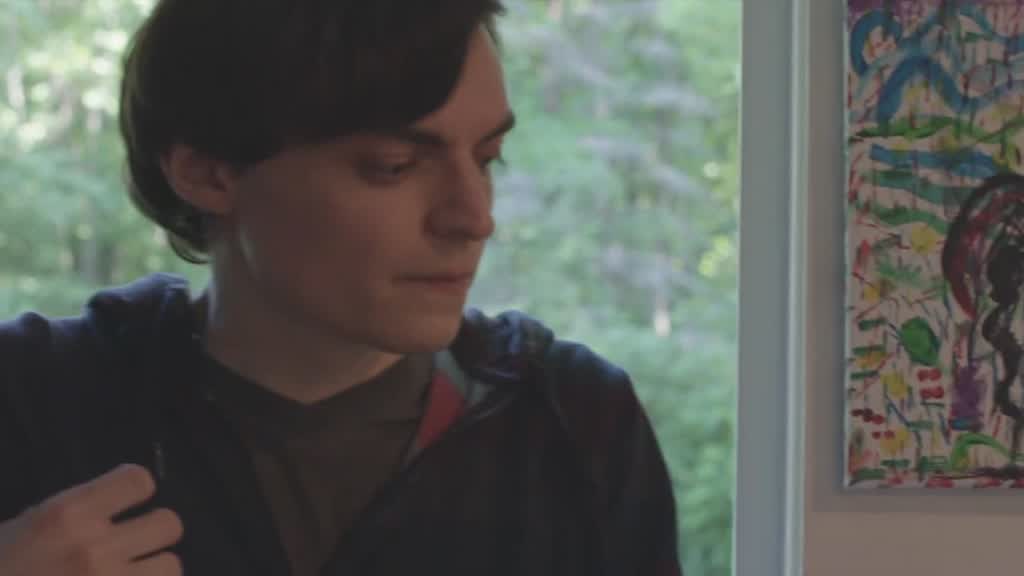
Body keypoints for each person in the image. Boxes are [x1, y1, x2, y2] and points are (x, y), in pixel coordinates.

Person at [0, 0, 682, 574]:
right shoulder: (32, 405)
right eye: (395, 165)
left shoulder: (574, 425)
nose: (475, 218)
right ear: (209, 173)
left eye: (487, 159)